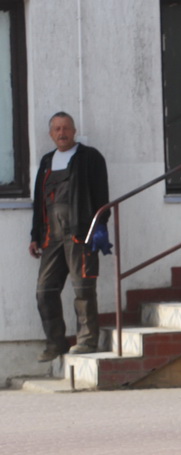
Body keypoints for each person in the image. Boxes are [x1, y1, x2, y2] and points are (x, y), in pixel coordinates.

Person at [29, 112, 111, 362]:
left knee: (83, 289)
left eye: (66, 128)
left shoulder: (90, 157)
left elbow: (102, 195)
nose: (61, 133)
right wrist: (34, 236)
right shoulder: (46, 162)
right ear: (50, 134)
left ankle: (87, 341)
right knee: (45, 291)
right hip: (51, 238)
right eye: (57, 129)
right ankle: (56, 344)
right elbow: (38, 202)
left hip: (80, 235)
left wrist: (99, 226)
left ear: (74, 131)